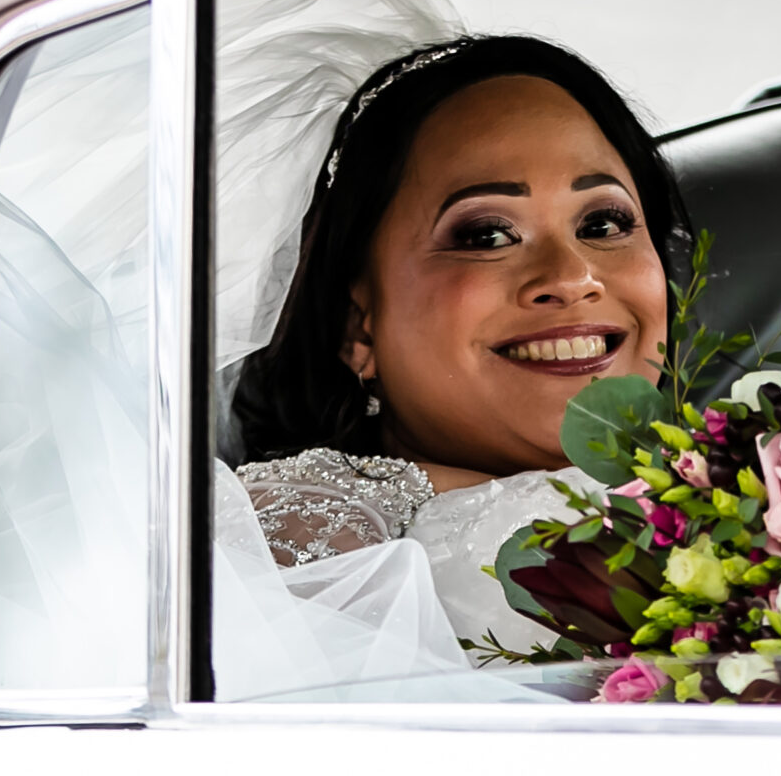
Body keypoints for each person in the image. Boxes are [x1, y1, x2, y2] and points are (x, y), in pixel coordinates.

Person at [230, 35, 687, 657]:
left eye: (602, 224)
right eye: (487, 235)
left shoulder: (772, 493)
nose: (573, 277)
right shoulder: (304, 533)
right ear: (355, 326)